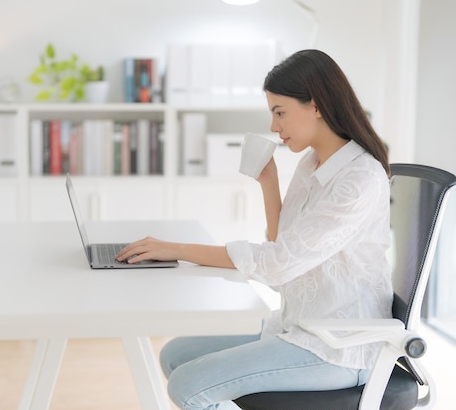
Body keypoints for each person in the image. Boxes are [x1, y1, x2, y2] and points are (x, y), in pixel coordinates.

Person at [116, 49, 392, 410]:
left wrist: (179, 249)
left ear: (318, 105)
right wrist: (269, 183)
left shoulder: (358, 178)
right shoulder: (313, 163)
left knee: (188, 384)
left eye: (280, 112)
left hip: (340, 347)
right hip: (299, 326)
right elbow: (285, 253)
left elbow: (279, 263)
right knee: (175, 354)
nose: (274, 127)